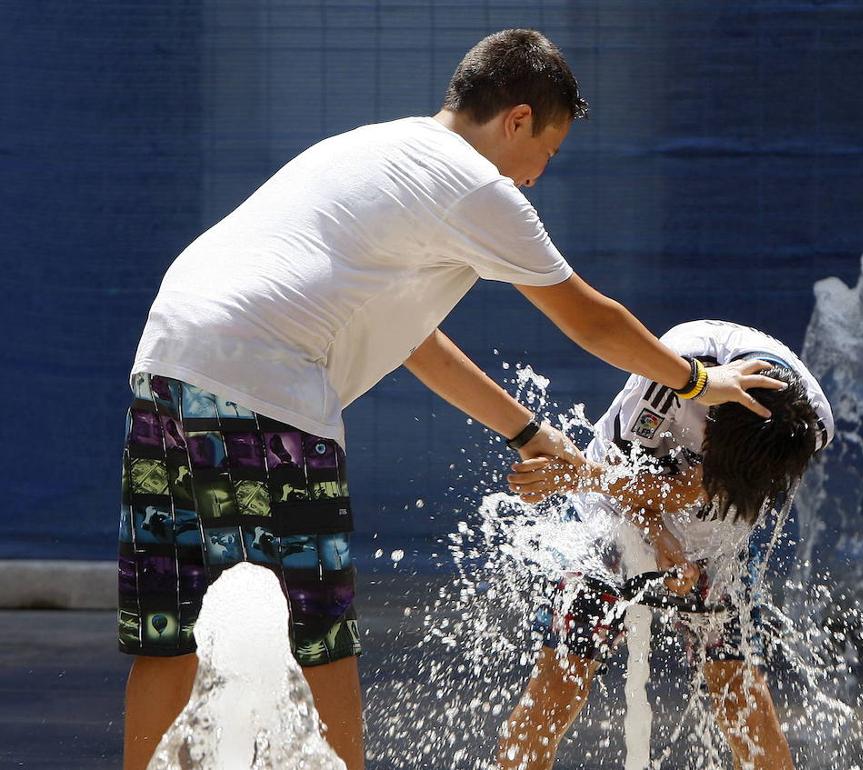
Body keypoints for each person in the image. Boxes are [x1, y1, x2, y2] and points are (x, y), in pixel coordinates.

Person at [118, 31, 782, 770]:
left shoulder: (379, 150)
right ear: (518, 120)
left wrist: (528, 434)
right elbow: (591, 318)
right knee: (322, 637)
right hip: (266, 377)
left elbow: (414, 340)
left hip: (167, 362)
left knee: (167, 632)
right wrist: (697, 380)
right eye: (548, 153)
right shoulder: (475, 185)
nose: (538, 177)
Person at [498, 320, 834, 770]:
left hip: (716, 543)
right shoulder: (672, 369)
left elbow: (718, 493)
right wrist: (655, 535)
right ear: (710, 418)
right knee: (561, 683)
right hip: (610, 514)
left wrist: (692, 531)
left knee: (739, 694)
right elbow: (620, 471)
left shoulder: (810, 424)